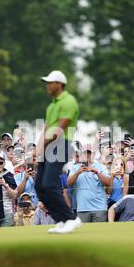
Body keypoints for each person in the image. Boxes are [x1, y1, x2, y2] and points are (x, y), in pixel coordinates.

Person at [35, 70, 81, 234]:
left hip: (62, 144)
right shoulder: (51, 106)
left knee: (49, 184)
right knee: (39, 186)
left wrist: (41, 146)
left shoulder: (69, 101)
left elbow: (59, 130)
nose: (47, 86)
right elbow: (46, 129)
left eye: (50, 83)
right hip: (49, 147)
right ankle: (61, 219)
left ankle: (71, 218)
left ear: (60, 84)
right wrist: (38, 150)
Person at [68, 144, 111, 223]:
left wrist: (96, 172)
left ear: (94, 154)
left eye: (89, 153)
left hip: (100, 208)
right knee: (83, 234)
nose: (87, 155)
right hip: (82, 208)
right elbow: (69, 183)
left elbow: (108, 183)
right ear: (81, 154)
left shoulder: (101, 167)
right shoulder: (75, 168)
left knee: (99, 233)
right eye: (85, 153)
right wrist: (77, 172)